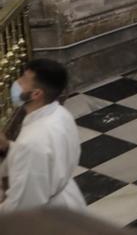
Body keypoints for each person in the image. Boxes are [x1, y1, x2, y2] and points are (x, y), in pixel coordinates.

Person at [0, 59, 85, 212]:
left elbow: (22, 208)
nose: (16, 82)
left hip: (47, 220)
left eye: (24, 80)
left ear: (36, 94)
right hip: (66, 200)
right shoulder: (60, 113)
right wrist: (7, 148)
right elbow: (45, 160)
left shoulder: (32, 142)